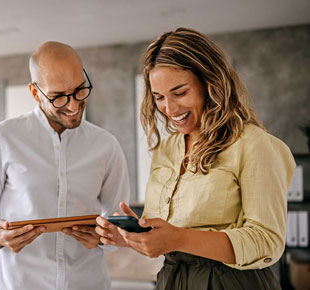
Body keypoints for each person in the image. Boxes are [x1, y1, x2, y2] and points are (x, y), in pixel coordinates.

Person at [95, 27, 296, 289]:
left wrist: (178, 239)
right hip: (172, 278)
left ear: (210, 83)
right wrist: (132, 236)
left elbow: (266, 241)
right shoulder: (165, 149)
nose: (169, 108)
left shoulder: (254, 144)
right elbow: (168, 234)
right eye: (159, 98)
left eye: (180, 93)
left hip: (233, 282)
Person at [0, 41, 130, 290]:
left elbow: (118, 218)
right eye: (58, 97)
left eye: (79, 90)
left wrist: (107, 235)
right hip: (22, 283)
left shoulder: (106, 145)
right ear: (35, 93)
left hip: (88, 282)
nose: (74, 106)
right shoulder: (2, 137)